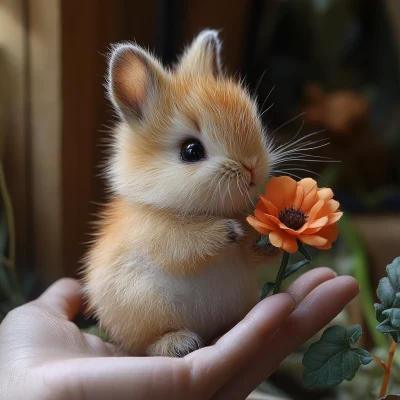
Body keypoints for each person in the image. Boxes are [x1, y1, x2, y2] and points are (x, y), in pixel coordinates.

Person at [0, 267, 358, 400]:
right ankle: (160, 339)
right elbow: (169, 251)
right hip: (153, 322)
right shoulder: (146, 215)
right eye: (192, 152)